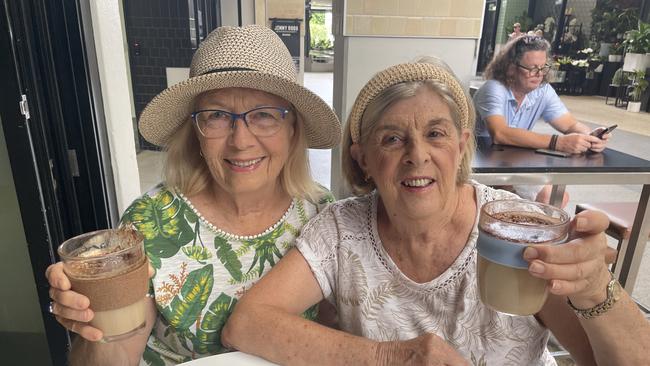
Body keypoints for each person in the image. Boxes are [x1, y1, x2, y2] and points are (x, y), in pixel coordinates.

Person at [221, 58, 650, 365]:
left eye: (436, 134)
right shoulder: (340, 228)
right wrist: (393, 357)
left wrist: (595, 289)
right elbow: (248, 323)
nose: (417, 155)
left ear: (462, 146)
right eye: (391, 139)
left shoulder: (518, 230)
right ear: (363, 159)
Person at [44, 24, 341, 365]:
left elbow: (332, 332)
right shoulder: (150, 221)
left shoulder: (322, 214)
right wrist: (95, 322)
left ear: (293, 129)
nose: (240, 141)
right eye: (216, 116)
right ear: (196, 133)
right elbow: (116, 354)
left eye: (263, 115)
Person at [473, 35, 611, 205]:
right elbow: (500, 134)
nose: (539, 74)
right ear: (510, 68)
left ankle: (533, 230)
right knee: (547, 197)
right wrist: (557, 143)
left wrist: (591, 136)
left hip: (511, 166)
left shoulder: (543, 91)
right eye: (531, 68)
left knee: (556, 197)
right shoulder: (494, 89)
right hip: (479, 170)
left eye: (543, 67)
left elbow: (570, 124)